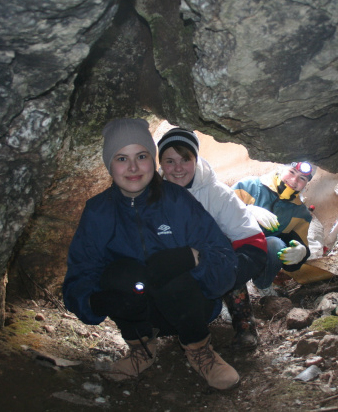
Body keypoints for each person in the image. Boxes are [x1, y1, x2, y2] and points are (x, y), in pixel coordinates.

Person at [62, 118, 240, 390]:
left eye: (142, 156)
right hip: (137, 312)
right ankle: (141, 349)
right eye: (122, 158)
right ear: (109, 164)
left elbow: (224, 258)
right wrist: (97, 301)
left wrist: (193, 258)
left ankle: (199, 350)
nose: (133, 167)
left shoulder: (177, 200)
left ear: (151, 160)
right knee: (120, 273)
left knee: (171, 270)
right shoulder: (98, 211)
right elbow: (80, 273)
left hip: (188, 308)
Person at [157, 127, 271, 351]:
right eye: (170, 161)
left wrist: (226, 271)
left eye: (185, 159)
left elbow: (250, 238)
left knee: (227, 261)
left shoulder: (217, 194)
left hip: (215, 260)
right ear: (160, 163)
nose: (178, 168)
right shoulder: (153, 195)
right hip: (178, 263)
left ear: (196, 159)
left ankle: (244, 324)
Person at [232, 161, 315, 292]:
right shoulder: (249, 186)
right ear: (281, 169)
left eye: (302, 178)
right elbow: (218, 211)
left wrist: (302, 253)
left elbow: (299, 243)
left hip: (260, 251)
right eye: (292, 172)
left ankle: (262, 286)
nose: (294, 180)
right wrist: (247, 209)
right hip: (232, 244)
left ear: (306, 183)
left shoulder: (300, 213)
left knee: (276, 244)